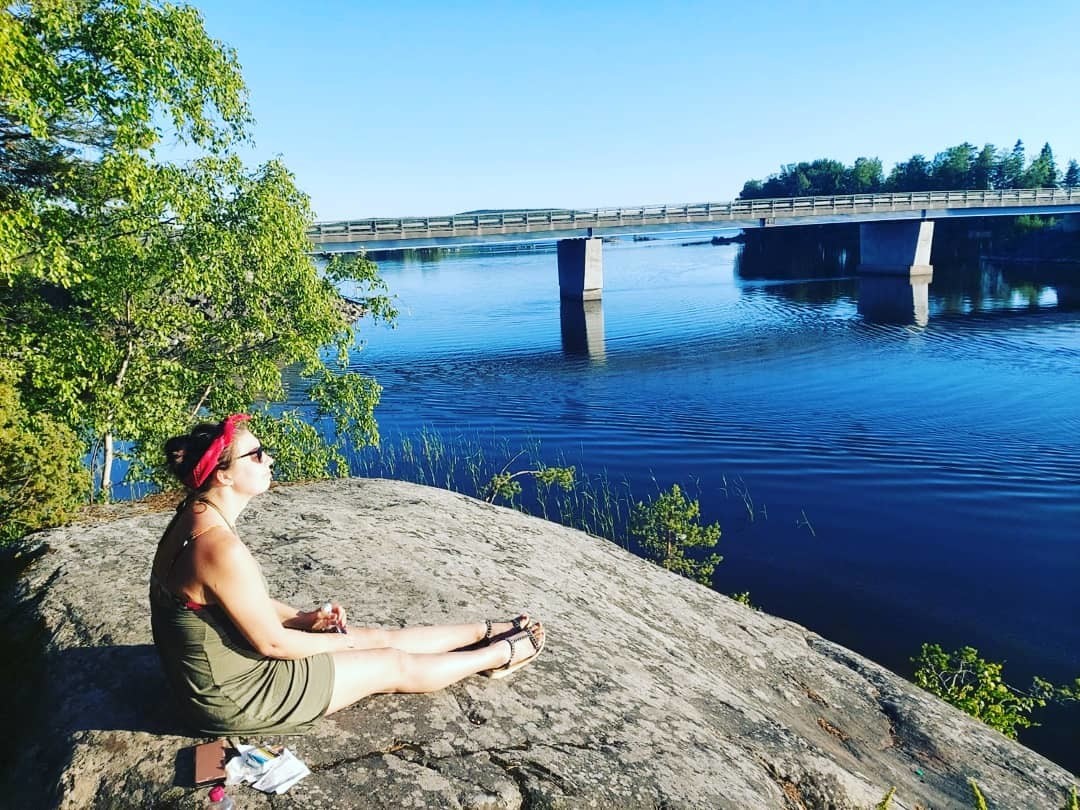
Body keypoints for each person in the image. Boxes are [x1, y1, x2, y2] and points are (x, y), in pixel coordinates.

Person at [149, 414, 544, 735]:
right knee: (389, 662)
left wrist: (302, 620)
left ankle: (483, 630)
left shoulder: (194, 516)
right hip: (237, 696)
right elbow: (273, 644)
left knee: (376, 637)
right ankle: (499, 654)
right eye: (256, 455)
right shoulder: (219, 548)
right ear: (223, 475)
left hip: (220, 675)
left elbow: (239, 599)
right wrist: (341, 643)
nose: (269, 460)